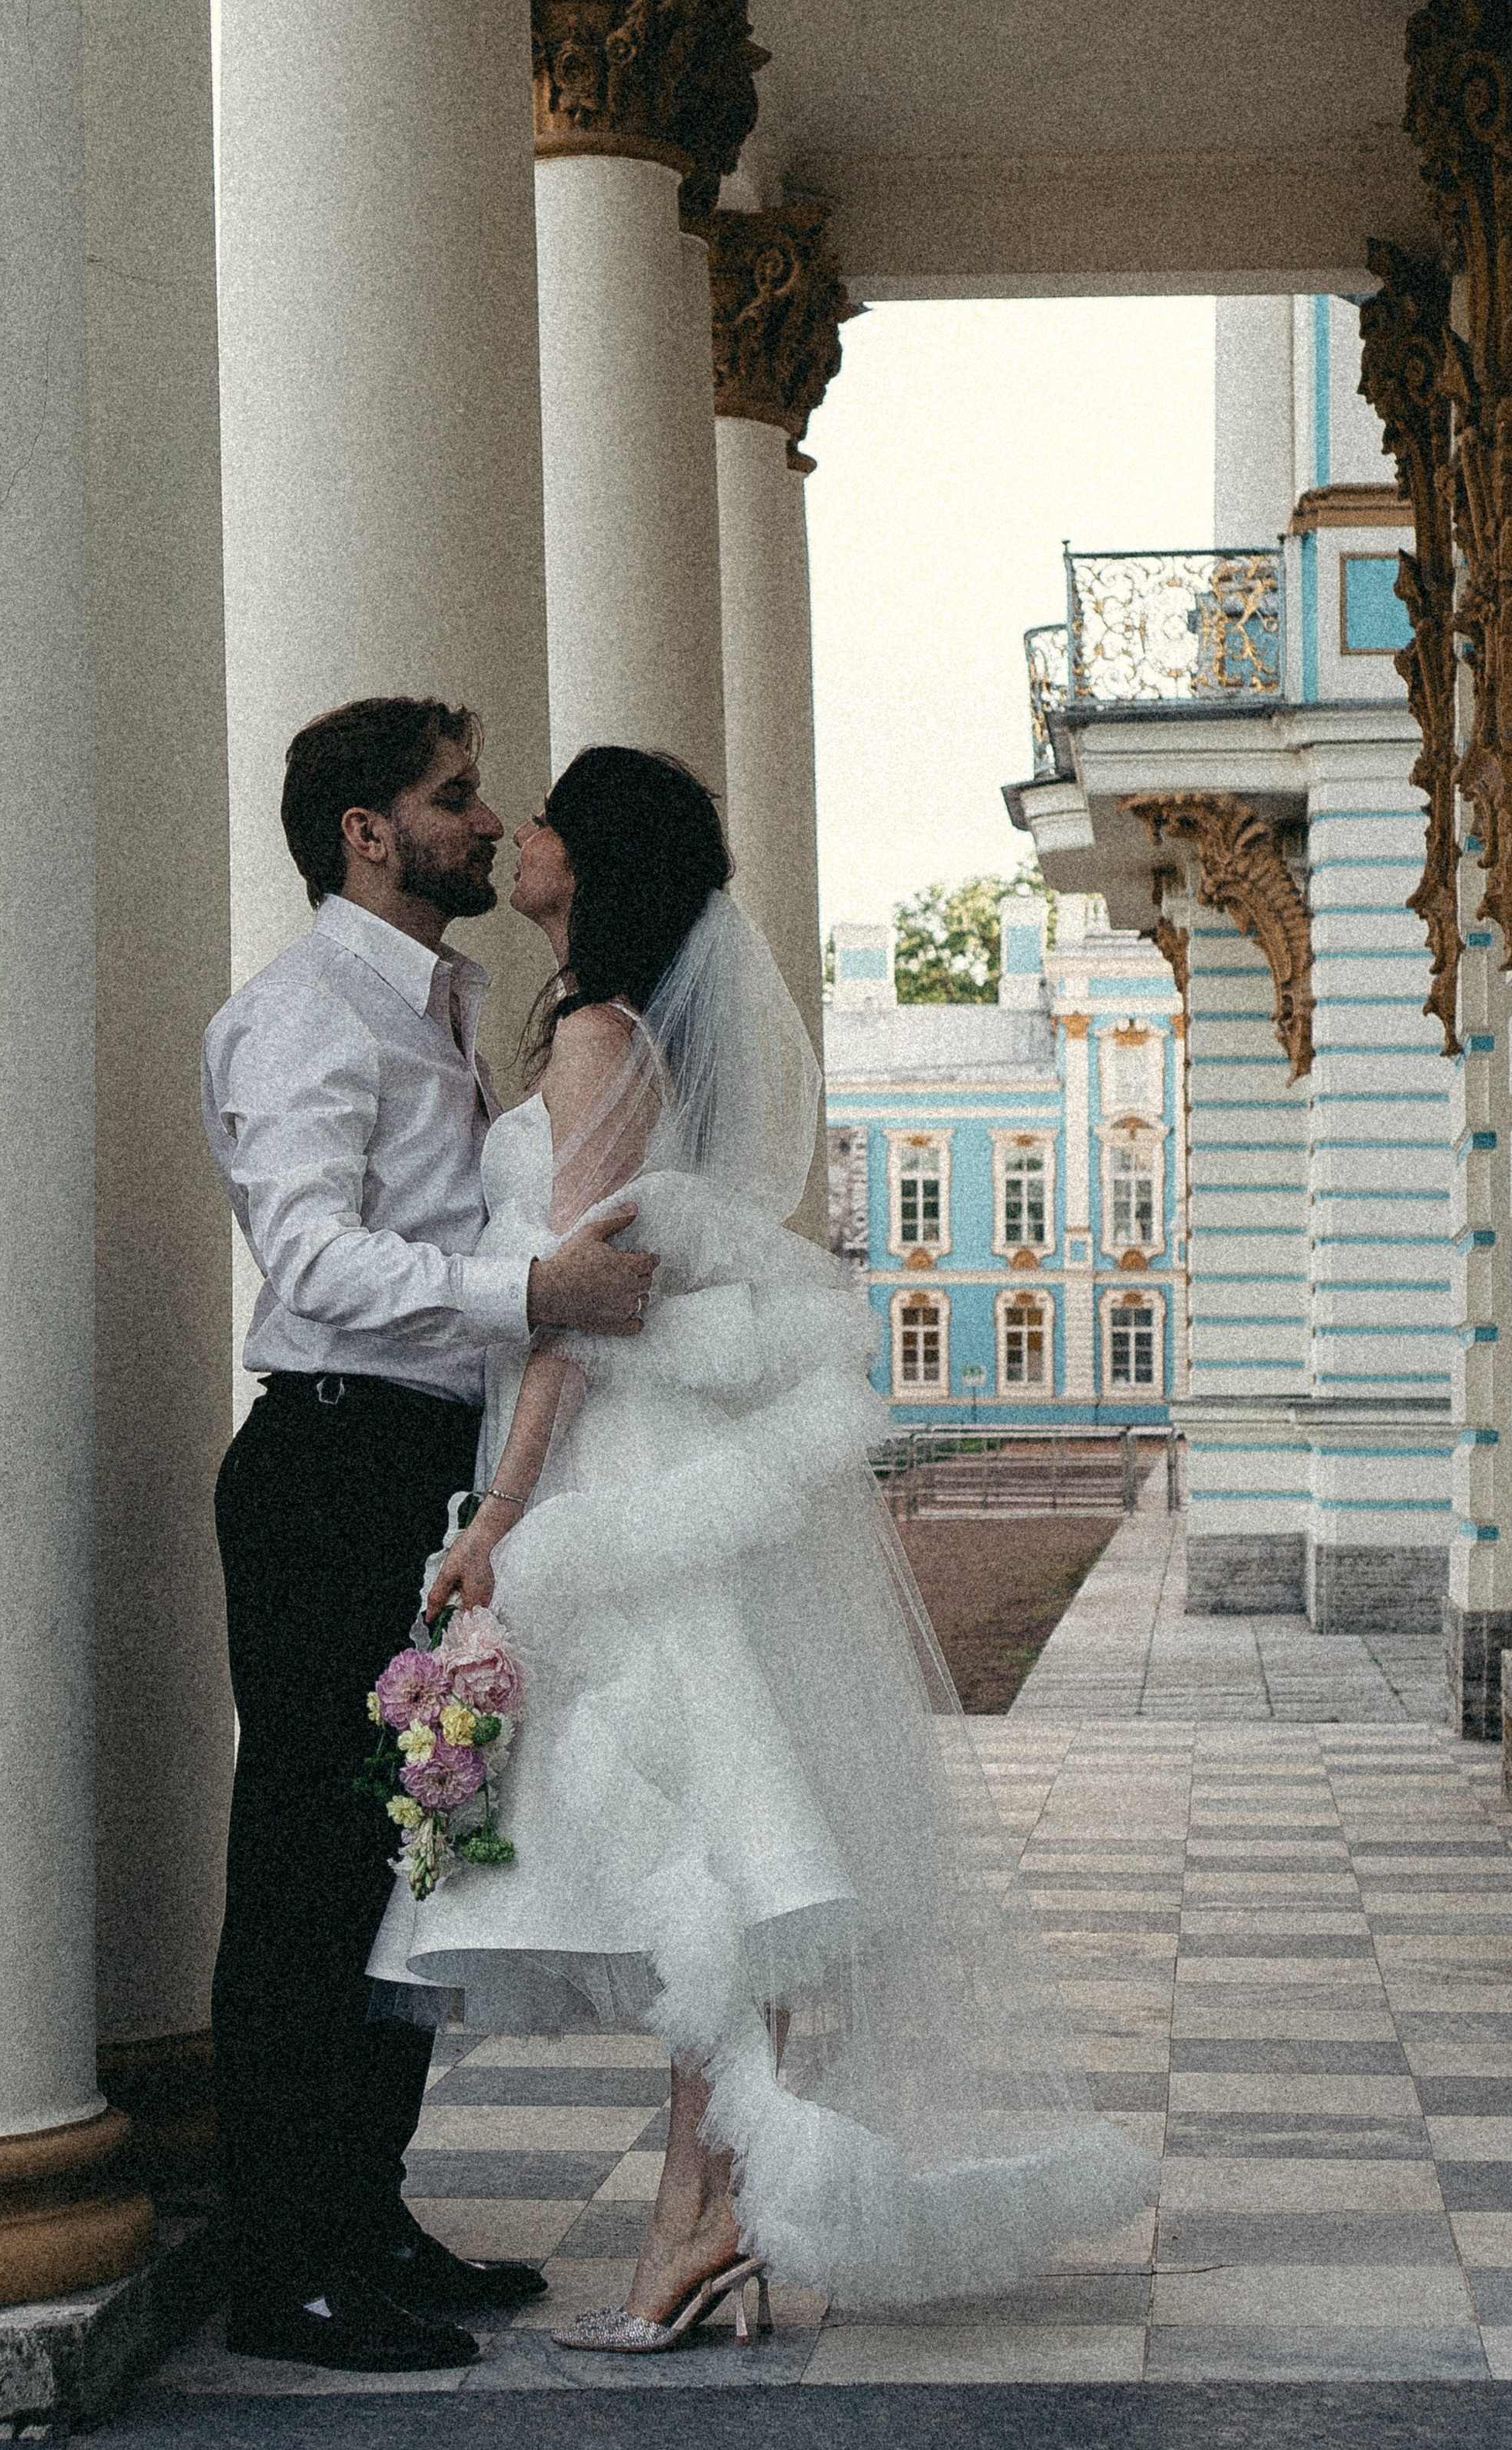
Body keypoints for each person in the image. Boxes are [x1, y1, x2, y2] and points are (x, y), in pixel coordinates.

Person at [370, 745, 1160, 2353]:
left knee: (703, 1839)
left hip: (620, 1471)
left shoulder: (598, 1043)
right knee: (713, 1844)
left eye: (540, 819)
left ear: (587, 864)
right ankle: (706, 2208)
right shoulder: (623, 1036)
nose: (514, 833)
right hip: (660, 1460)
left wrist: (503, 1519)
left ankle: (702, 2213)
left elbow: (578, 1313)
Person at [200, 697, 661, 2375]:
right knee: (309, 1873)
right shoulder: (304, 1016)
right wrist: (527, 1287)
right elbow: (309, 1262)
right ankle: (282, 2266)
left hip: (417, 1470)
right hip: (327, 1467)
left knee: (405, 1854)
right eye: (454, 800)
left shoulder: (434, 1006)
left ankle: (360, 2212)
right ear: (365, 834)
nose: (487, 822)